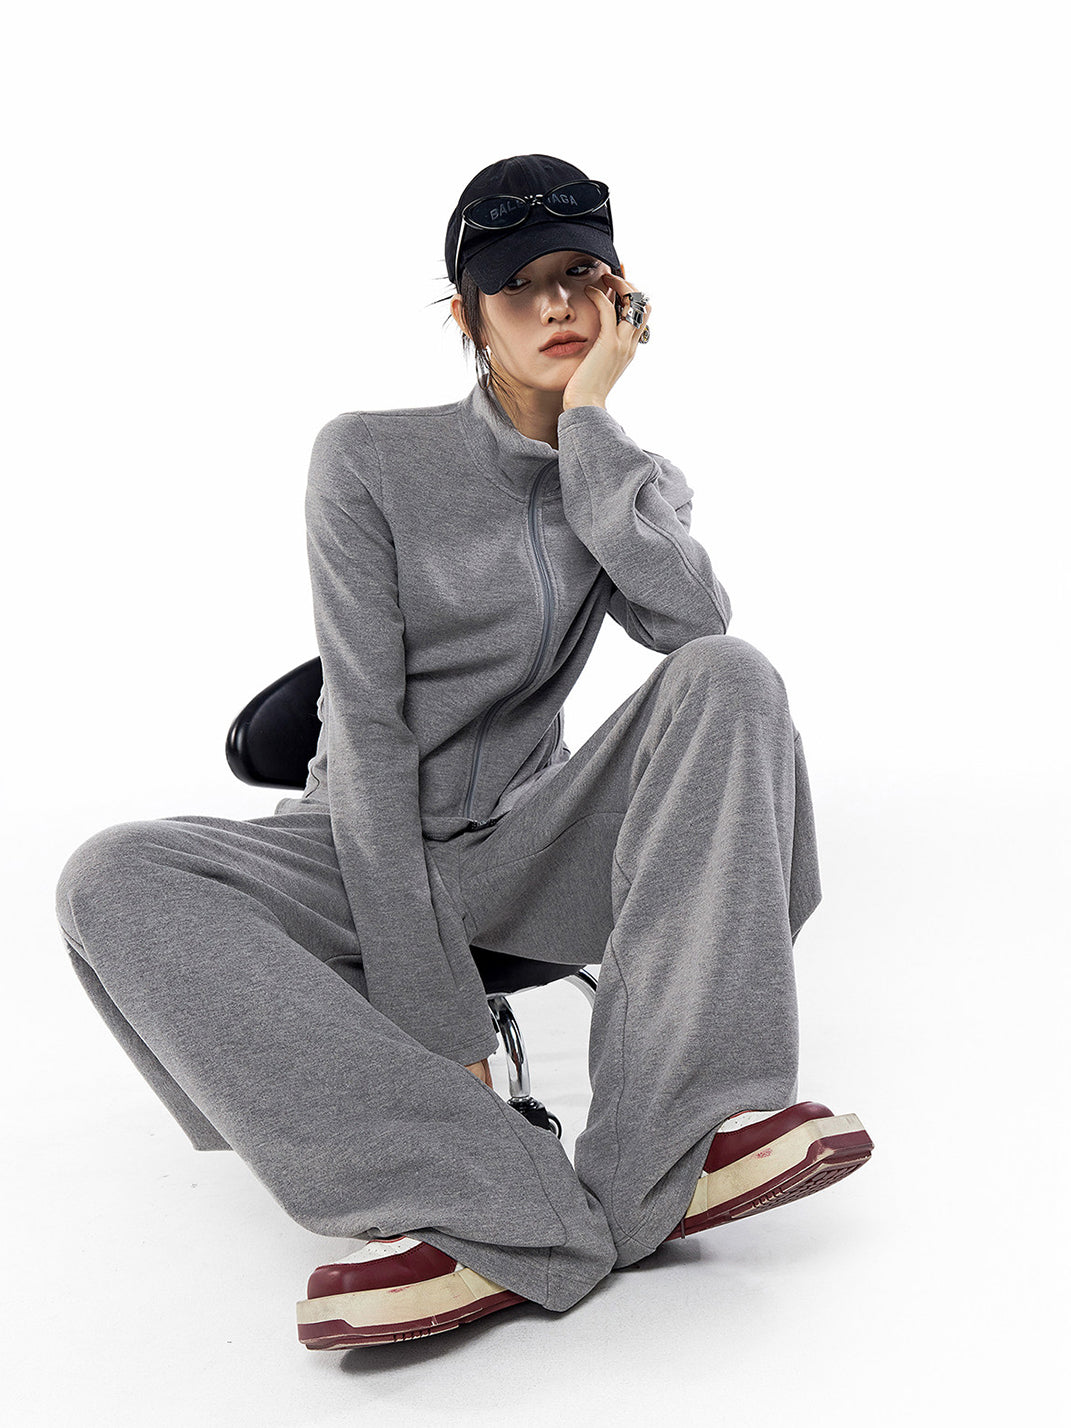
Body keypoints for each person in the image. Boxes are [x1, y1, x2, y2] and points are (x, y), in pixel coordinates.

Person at [54, 153, 873, 1353]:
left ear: (623, 300)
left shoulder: (629, 478)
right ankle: (495, 1202)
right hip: (352, 848)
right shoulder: (367, 458)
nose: (555, 305)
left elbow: (692, 623)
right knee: (109, 875)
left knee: (734, 677)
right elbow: (366, 732)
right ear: (465, 316)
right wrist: (439, 1014)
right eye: (518, 286)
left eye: (581, 277)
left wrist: (590, 426)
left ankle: (662, 1155)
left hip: (523, 846)